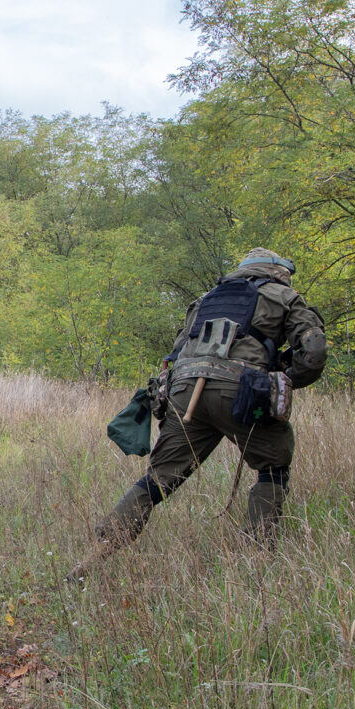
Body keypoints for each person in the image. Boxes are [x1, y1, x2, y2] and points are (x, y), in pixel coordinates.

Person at [71, 248, 328, 580]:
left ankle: (92, 559)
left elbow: (178, 351)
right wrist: (285, 377)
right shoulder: (284, 296)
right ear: (279, 272)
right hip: (241, 390)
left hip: (184, 390)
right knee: (273, 467)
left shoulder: (206, 299)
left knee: (158, 480)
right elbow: (315, 349)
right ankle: (260, 562)